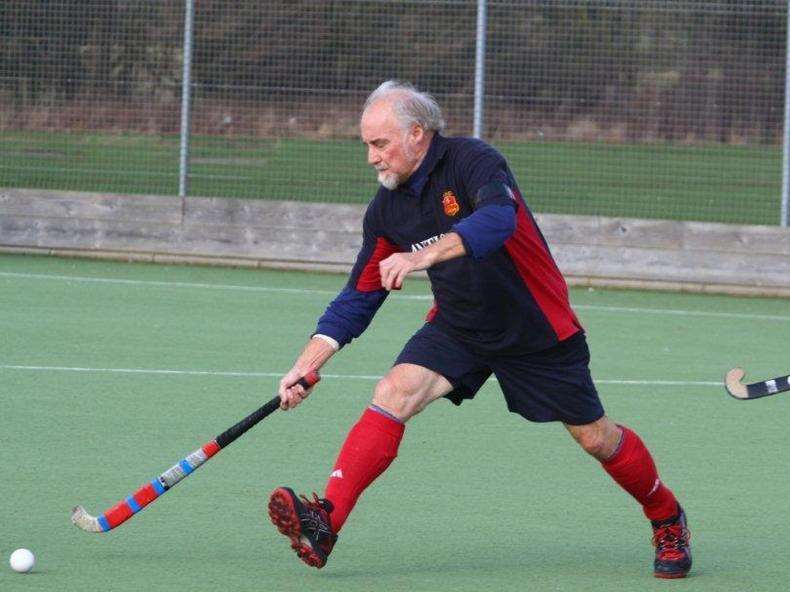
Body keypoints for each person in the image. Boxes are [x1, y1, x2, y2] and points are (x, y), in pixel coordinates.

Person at [265, 80, 692, 579]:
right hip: (460, 325)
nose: (371, 158)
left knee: (596, 438)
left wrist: (422, 255)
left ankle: (666, 516)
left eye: (380, 144)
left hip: (534, 326)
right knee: (394, 391)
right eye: (367, 145)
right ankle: (326, 522)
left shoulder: (473, 162)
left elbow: (496, 221)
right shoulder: (387, 211)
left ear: (417, 135)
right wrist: (306, 364)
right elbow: (358, 296)